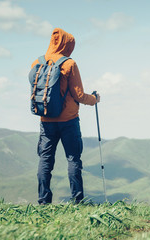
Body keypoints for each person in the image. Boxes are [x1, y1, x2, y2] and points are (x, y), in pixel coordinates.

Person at [31, 28, 100, 204]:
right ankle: (78, 201)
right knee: (73, 159)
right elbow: (79, 95)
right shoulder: (69, 64)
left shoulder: (36, 63)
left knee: (45, 160)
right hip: (69, 121)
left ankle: (43, 202)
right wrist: (95, 99)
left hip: (46, 120)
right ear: (67, 44)